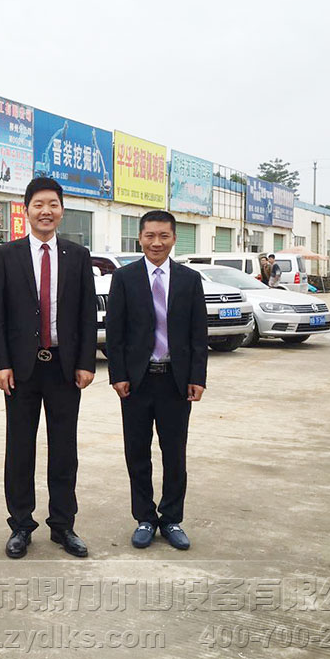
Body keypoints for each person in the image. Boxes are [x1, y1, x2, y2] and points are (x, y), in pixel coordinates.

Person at [0, 177, 98, 559]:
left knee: (64, 450)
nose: (46, 211)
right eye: (38, 204)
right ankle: (21, 524)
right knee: (19, 450)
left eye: (53, 204)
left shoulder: (77, 255)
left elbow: (87, 314)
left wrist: (86, 362)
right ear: (26, 210)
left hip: (64, 369)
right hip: (22, 370)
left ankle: (63, 525)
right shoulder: (7, 254)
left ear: (62, 210)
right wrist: (1, 363)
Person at [105, 210, 208, 551]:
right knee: (137, 453)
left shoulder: (189, 279)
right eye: (150, 236)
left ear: (174, 238)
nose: (156, 242)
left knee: (174, 453)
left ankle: (172, 518)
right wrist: (118, 375)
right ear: (140, 238)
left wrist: (197, 376)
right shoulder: (125, 278)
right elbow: (115, 332)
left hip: (176, 382)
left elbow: (198, 333)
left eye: (163, 236)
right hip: (137, 381)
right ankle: (145, 518)